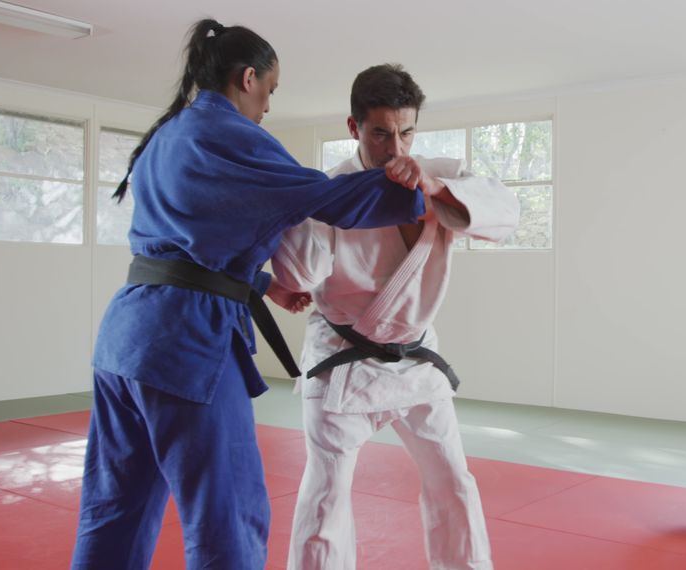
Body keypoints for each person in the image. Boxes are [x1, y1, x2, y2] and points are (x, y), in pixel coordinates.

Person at [71, 21, 426, 570]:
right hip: (184, 345)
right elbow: (326, 199)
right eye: (269, 92)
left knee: (116, 509)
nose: (267, 107)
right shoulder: (232, 134)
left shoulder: (168, 134)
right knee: (229, 518)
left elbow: (189, 239)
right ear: (249, 78)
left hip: (123, 340)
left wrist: (262, 285)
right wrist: (416, 191)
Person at [270, 63, 519, 570]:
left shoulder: (435, 172)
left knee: (452, 480)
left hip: (416, 358)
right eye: (381, 133)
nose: (396, 148)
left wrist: (432, 188)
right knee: (326, 493)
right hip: (343, 358)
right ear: (354, 128)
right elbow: (301, 271)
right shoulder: (331, 190)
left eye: (406, 132)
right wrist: (296, 214)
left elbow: (505, 213)